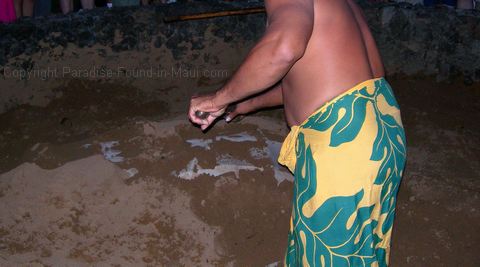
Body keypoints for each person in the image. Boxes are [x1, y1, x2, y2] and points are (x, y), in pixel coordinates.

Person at [188, 0, 407, 265]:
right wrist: (247, 103)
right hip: (379, 128)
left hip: (342, 140)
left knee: (327, 257)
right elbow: (317, 78)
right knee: (361, 254)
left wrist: (218, 98)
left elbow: (284, 49)